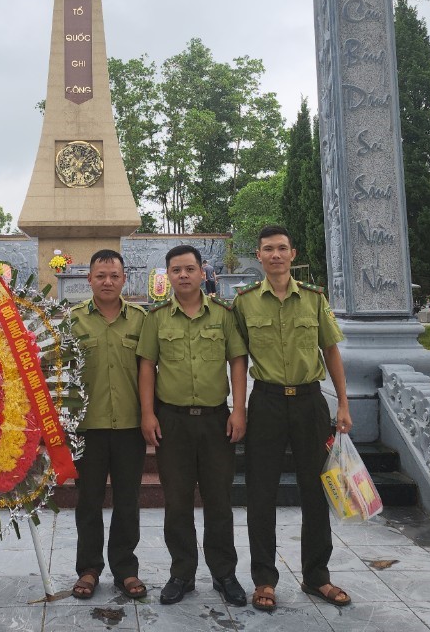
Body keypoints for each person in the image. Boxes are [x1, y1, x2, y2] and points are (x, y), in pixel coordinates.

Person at [232, 225, 352, 612]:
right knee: (260, 493)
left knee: (316, 491)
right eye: (268, 249)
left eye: (282, 248)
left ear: (293, 254)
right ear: (259, 255)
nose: (276, 255)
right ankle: (264, 580)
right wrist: (238, 408)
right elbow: (238, 358)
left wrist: (343, 404)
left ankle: (317, 576)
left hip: (309, 402)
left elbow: (331, 351)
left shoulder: (314, 299)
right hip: (266, 403)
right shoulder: (245, 302)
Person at [138, 244, 248, 608]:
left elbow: (237, 360)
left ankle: (224, 573)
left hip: (216, 420)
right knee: (177, 501)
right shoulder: (156, 318)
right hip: (172, 422)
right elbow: (146, 366)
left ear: (203, 272)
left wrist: (239, 410)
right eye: (176, 270)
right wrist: (148, 414)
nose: (183, 275)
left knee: (219, 500)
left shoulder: (223, 315)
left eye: (189, 269)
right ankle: (182, 573)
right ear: (167, 276)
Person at [68, 249, 148, 601]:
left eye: (114, 276)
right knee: (89, 501)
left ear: (124, 279)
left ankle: (126, 569)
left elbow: (150, 371)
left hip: (131, 425)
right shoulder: (72, 321)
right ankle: (88, 569)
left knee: (128, 500)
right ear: (89, 279)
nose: (107, 282)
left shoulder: (141, 320)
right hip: (88, 427)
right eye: (100, 275)